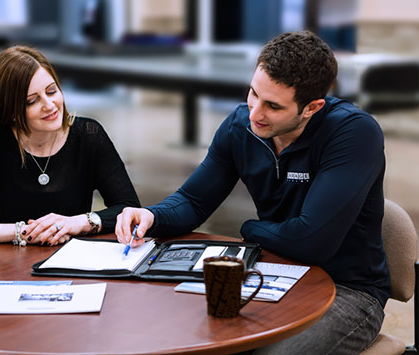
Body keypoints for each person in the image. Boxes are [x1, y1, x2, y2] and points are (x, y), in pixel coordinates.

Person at [115, 31, 389, 354]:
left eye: (273, 106)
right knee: (179, 333)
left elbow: (310, 241)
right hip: (270, 273)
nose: (255, 114)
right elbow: (192, 200)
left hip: (349, 291)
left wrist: (249, 230)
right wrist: (151, 215)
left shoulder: (353, 133)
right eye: (253, 94)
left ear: (312, 107)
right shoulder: (240, 126)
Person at [0, 45, 140, 247]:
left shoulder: (89, 136)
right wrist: (23, 232)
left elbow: (130, 210)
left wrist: (79, 222)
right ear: (10, 110)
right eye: (32, 101)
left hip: (70, 267)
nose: (49, 105)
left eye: (51, 91)